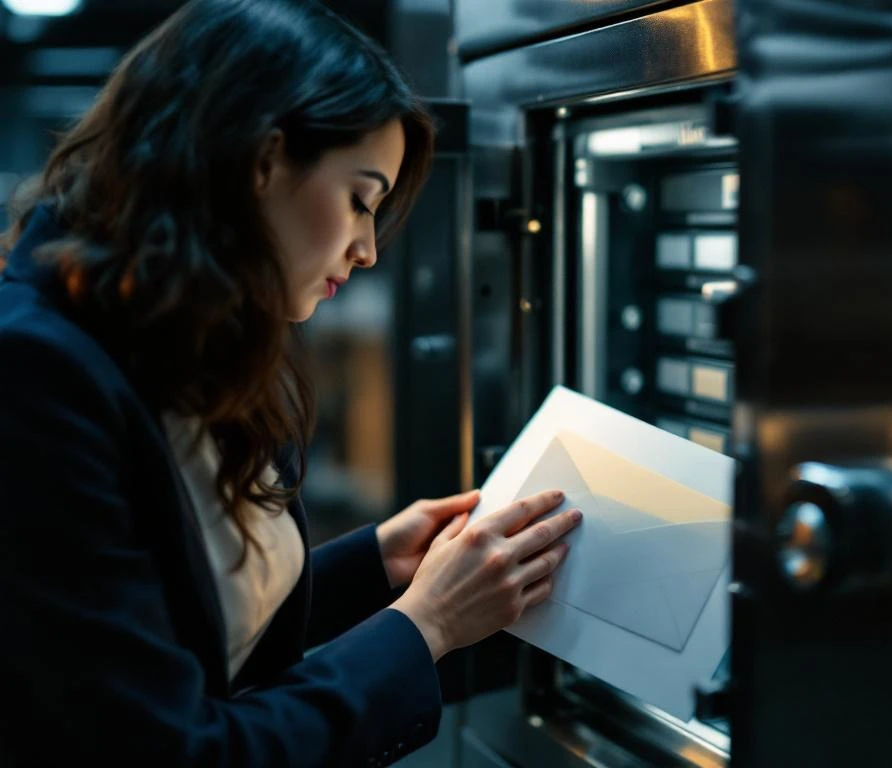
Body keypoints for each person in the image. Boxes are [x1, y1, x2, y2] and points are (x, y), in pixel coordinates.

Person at [0, 1, 581, 765]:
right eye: (360, 199)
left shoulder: (173, 341)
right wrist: (427, 623)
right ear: (262, 162)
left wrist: (375, 566)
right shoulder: (33, 375)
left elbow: (181, 616)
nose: (369, 248)